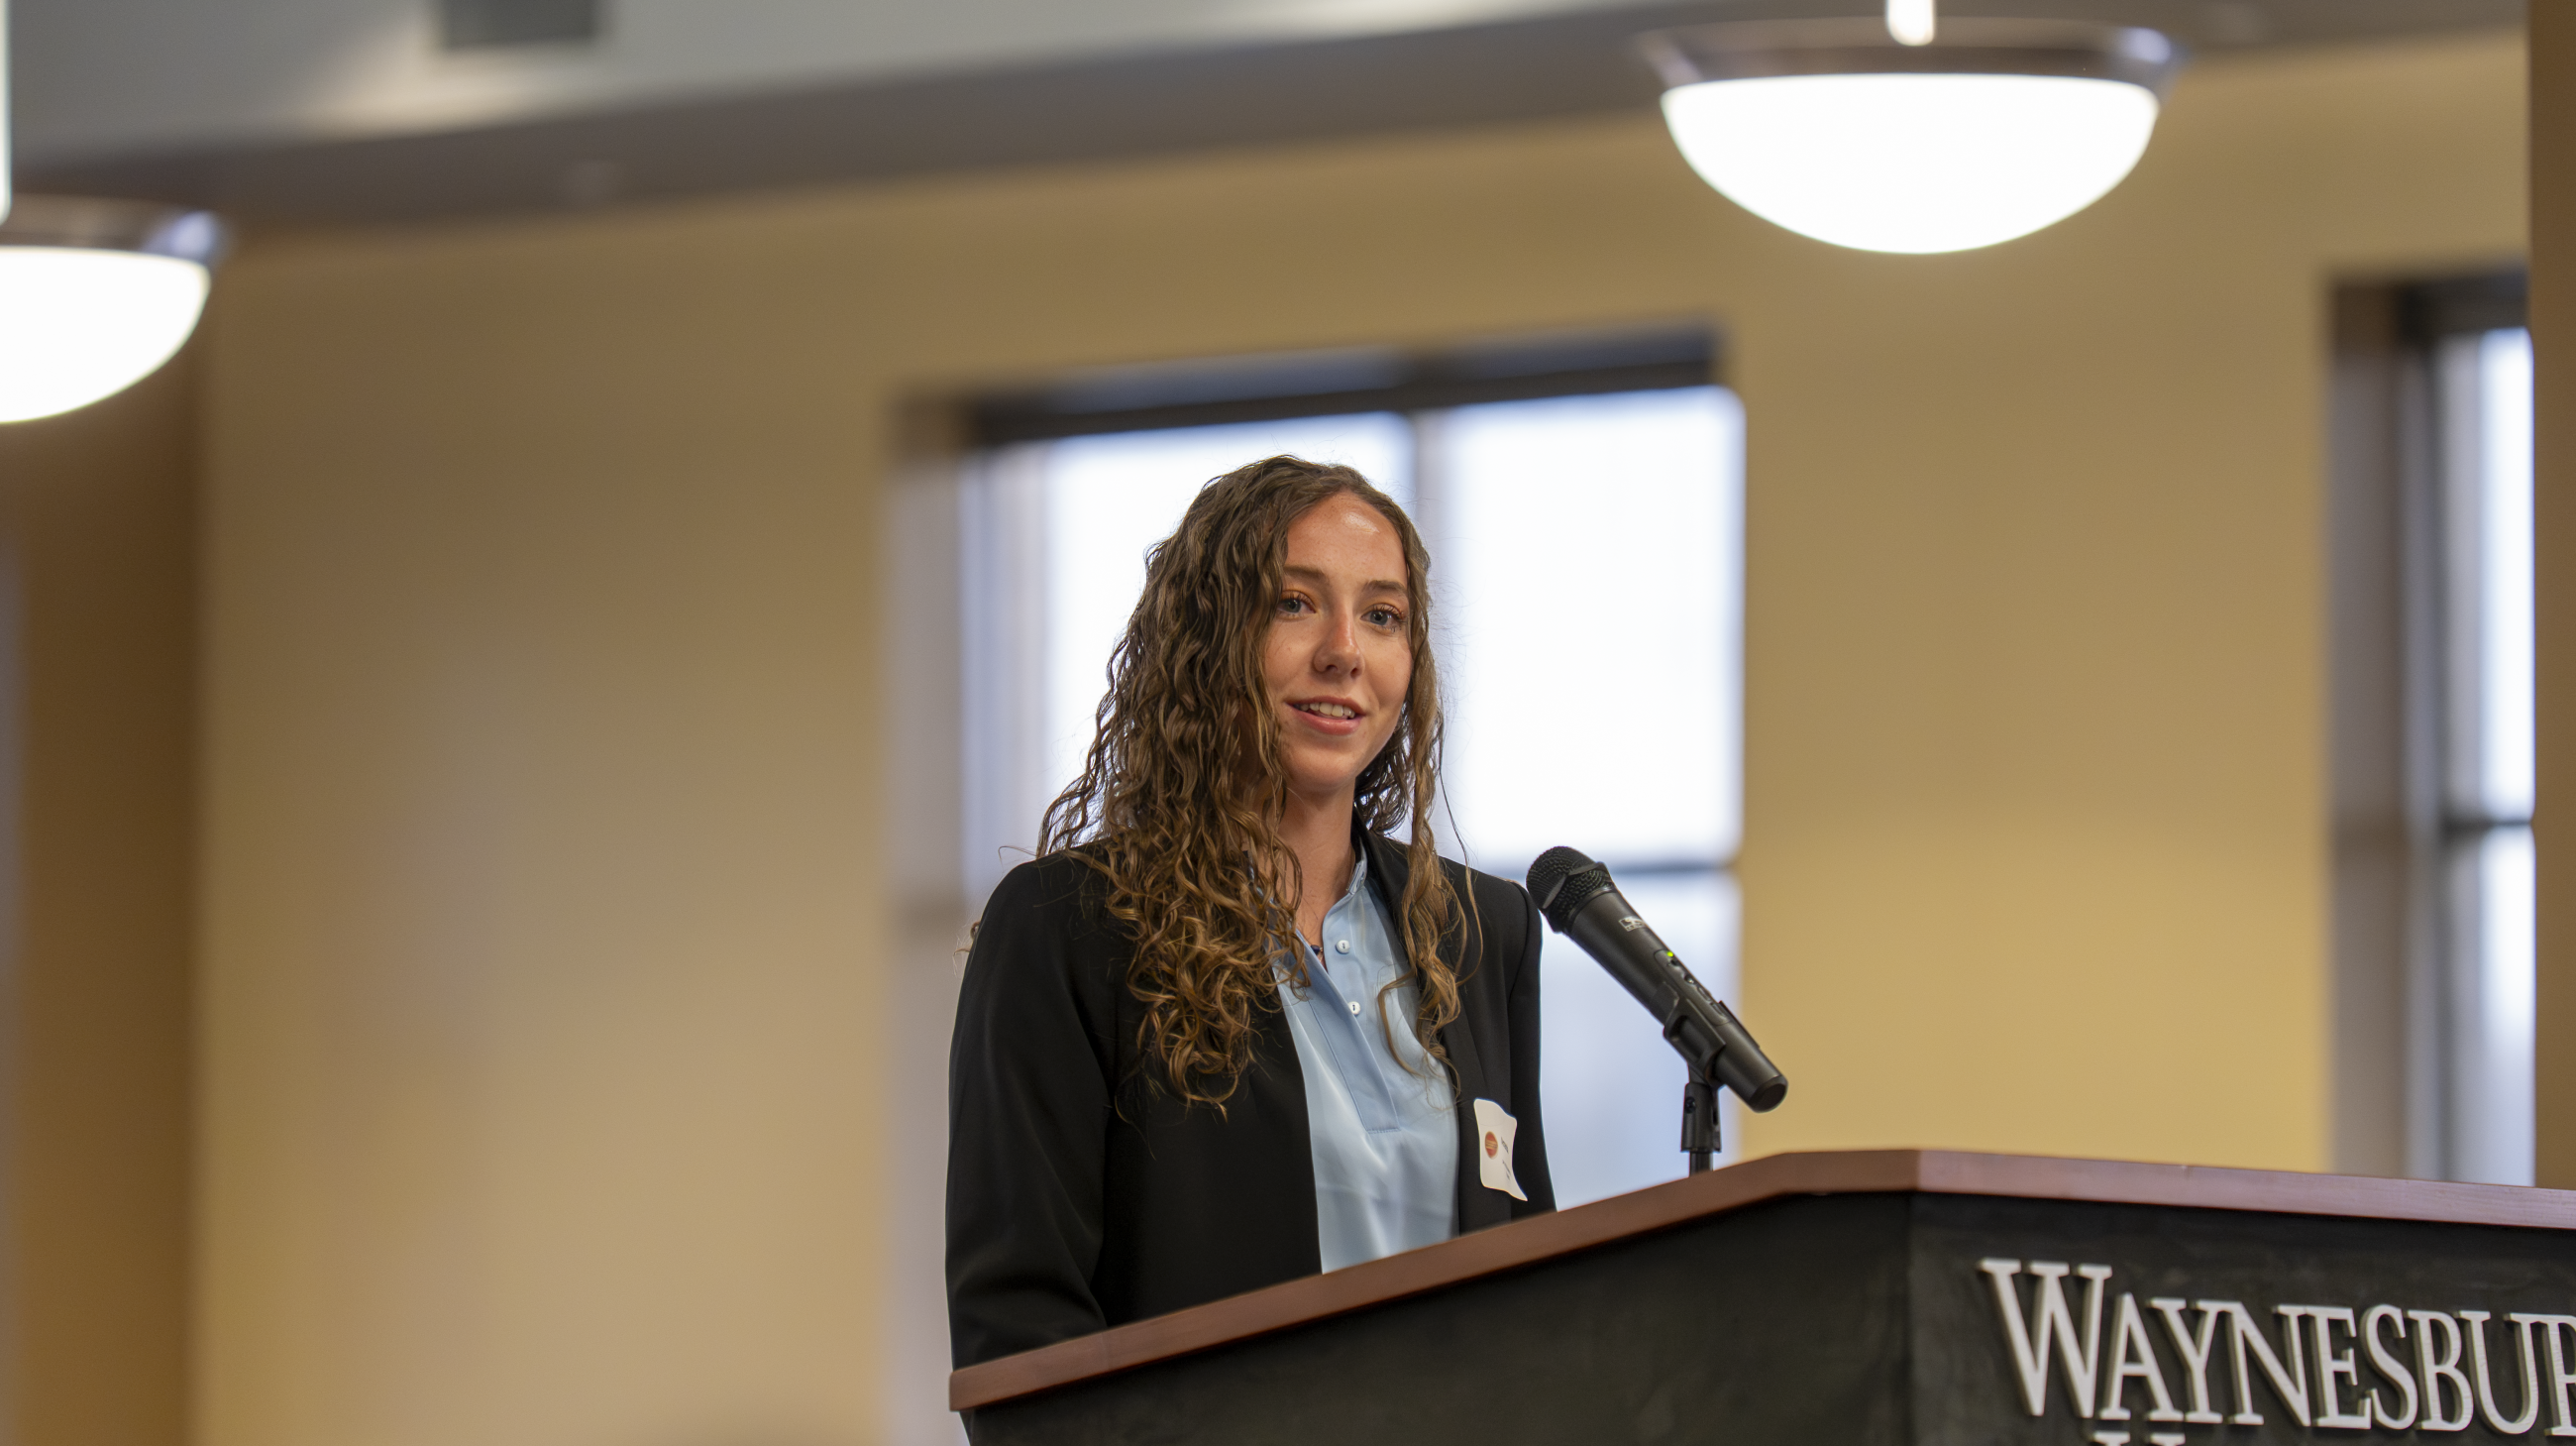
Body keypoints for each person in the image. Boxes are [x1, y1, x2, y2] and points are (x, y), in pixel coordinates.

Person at [945, 455, 1554, 1370]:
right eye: (1294, 603)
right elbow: (1021, 1328)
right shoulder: (1070, 928)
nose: (1345, 648)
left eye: (1383, 615)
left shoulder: (1480, 931)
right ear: (1207, 641)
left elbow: (1535, 1289)